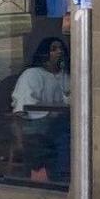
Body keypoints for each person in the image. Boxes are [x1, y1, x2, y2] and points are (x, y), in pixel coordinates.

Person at [12, 36, 71, 181]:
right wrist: (19, 139)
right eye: (53, 49)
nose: (59, 52)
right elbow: (21, 109)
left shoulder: (65, 76)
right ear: (44, 53)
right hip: (36, 126)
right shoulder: (31, 75)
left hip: (56, 124)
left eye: (61, 49)